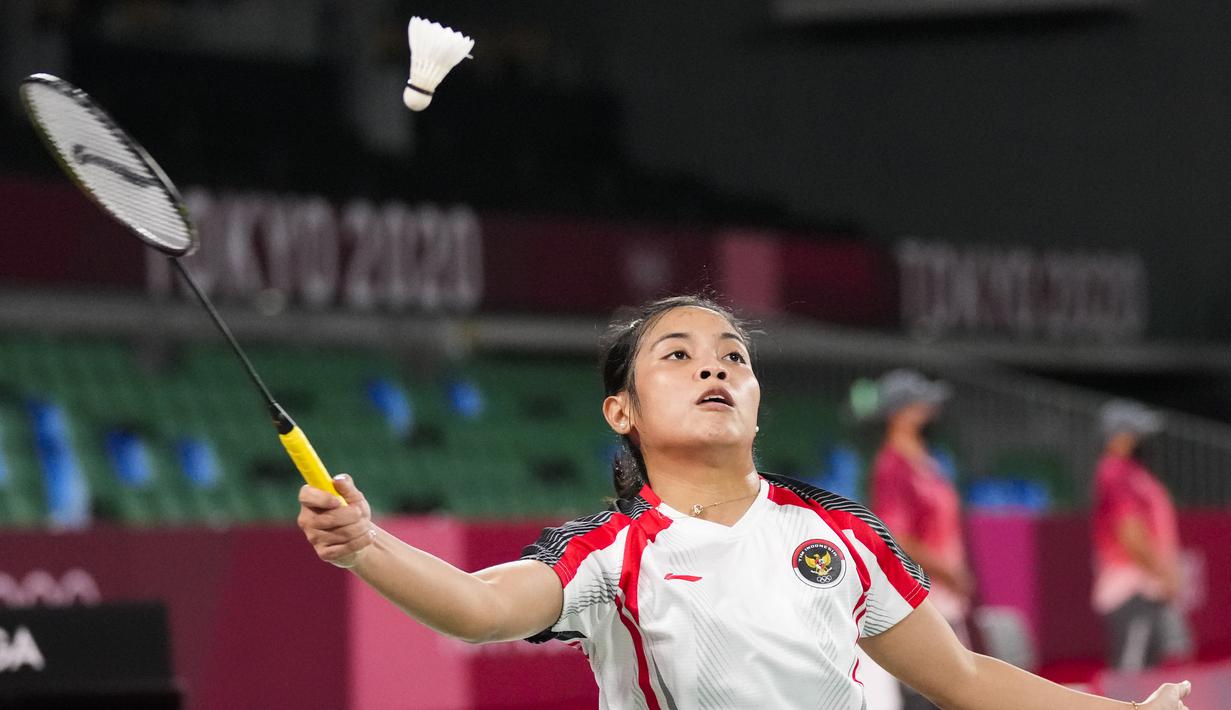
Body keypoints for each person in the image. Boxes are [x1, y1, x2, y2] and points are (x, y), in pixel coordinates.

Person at [298, 295, 1191, 710]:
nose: (714, 367)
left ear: (756, 396)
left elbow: (960, 677)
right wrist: (366, 544)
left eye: (732, 355)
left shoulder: (837, 531)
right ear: (622, 411)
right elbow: (481, 609)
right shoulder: (608, 556)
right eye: (677, 357)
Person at [868, 369, 973, 710]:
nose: (928, 408)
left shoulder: (925, 461)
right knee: (929, 693)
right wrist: (946, 571)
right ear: (901, 412)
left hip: (944, 593)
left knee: (954, 691)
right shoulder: (893, 466)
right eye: (918, 402)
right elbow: (896, 535)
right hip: (921, 592)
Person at [1092, 399, 1188, 672]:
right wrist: (1164, 573)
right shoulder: (1114, 472)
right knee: (1130, 680)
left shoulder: (1134, 473)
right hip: (1131, 590)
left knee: (1148, 676)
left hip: (1147, 587)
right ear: (1119, 434)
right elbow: (1130, 533)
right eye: (1135, 431)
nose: (1141, 437)